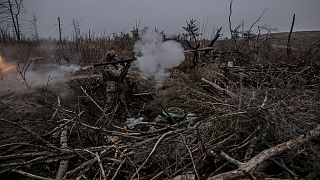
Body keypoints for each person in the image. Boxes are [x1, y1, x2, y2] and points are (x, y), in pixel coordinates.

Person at [102, 50, 131, 119]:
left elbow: (122, 76)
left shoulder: (114, 66)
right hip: (112, 88)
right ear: (112, 58)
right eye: (115, 56)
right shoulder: (109, 66)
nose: (117, 57)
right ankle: (104, 118)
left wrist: (126, 66)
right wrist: (121, 66)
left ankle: (127, 117)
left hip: (119, 87)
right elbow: (117, 75)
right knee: (109, 104)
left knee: (123, 103)